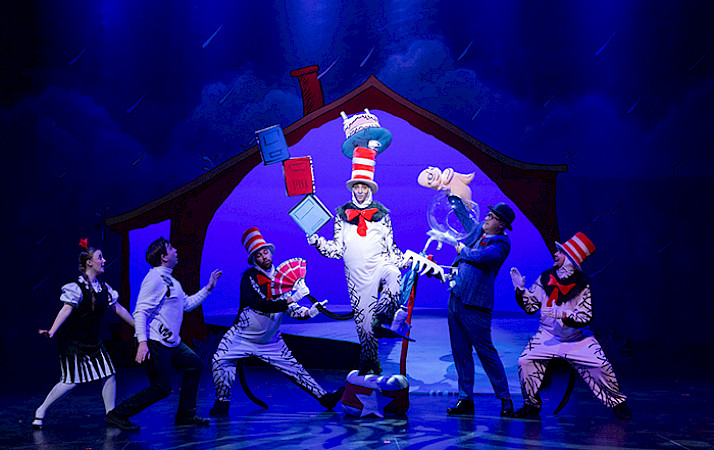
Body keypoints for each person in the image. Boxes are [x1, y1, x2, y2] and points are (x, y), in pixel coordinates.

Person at [209, 227, 344, 415]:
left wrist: (308, 312)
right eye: (258, 255)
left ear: (270, 253)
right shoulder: (248, 278)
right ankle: (222, 401)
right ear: (254, 259)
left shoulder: (283, 280)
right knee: (220, 360)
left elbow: (290, 310)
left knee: (295, 369)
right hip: (241, 337)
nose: (264, 257)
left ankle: (325, 398)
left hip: (270, 340)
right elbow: (262, 304)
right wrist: (294, 297)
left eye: (265, 252)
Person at [509, 232, 633, 420]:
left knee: (600, 365)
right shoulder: (545, 279)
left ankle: (618, 403)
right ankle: (531, 405)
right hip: (548, 336)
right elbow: (531, 306)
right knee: (525, 361)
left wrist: (563, 315)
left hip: (577, 339)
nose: (555, 254)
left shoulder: (582, 287)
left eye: (560, 252)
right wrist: (520, 290)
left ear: (570, 259)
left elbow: (585, 316)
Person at [105, 237, 222, 432]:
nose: (175, 250)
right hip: (155, 341)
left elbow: (186, 304)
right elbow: (140, 311)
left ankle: (186, 414)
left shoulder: (171, 280)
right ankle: (117, 414)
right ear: (163, 257)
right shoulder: (154, 279)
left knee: (194, 365)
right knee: (161, 388)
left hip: (172, 342)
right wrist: (142, 342)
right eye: (171, 248)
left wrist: (208, 288)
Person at [307, 147, 407, 375]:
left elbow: (391, 249)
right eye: (357, 187)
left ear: (369, 188)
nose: (360, 190)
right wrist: (317, 242)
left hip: (380, 264)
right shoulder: (341, 215)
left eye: (364, 187)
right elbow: (337, 250)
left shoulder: (383, 214)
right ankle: (369, 364)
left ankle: (383, 317)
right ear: (352, 188)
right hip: (357, 276)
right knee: (364, 328)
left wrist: (407, 261)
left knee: (394, 275)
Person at [33, 239, 135, 430]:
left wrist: (138, 328)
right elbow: (65, 310)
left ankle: (111, 415)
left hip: (93, 341)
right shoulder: (77, 288)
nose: (104, 261)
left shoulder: (104, 289)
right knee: (70, 382)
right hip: (73, 342)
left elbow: (119, 309)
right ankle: (41, 410)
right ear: (89, 262)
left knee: (109, 374)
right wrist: (52, 331)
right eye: (100, 258)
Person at [446, 203, 515, 417]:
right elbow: (465, 218)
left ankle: (505, 398)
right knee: (460, 352)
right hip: (456, 298)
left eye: (492, 217)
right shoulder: (478, 232)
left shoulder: (501, 243)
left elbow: (484, 258)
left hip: (476, 305)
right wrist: (452, 196)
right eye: (488, 214)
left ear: (501, 224)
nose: (486, 218)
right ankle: (465, 398)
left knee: (486, 353)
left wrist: (462, 250)